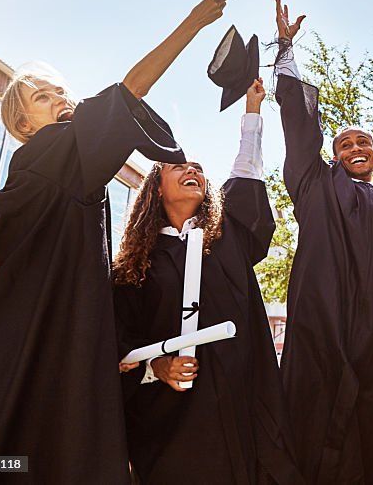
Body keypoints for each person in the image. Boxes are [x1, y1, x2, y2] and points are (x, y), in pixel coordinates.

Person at [0, 0, 231, 484]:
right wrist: (191, 24)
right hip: (28, 329)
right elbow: (126, 95)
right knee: (16, 449)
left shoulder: (75, 166)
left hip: (50, 333)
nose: (60, 100)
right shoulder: (43, 154)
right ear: (23, 124)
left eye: (61, 92)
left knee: (23, 449)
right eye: (42, 97)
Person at [270, 0, 373, 484]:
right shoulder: (313, 185)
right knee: (315, 426)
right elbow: (300, 126)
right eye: (345, 144)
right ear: (333, 156)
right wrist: (285, 47)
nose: (355, 148)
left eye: (364, 143)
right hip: (323, 326)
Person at [112, 77, 302, 484]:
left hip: (243, 398)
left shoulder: (228, 238)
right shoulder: (133, 267)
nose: (192, 169)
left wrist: (252, 113)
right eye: (178, 166)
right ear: (154, 189)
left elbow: (246, 172)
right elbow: (119, 344)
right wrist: (156, 366)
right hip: (172, 418)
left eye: (197, 167)